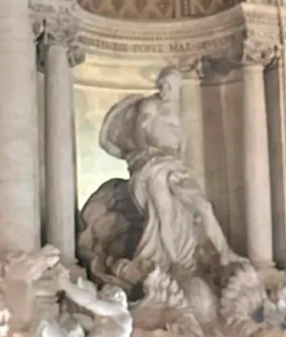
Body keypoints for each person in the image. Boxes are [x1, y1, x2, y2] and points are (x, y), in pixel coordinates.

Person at [98, 67, 234, 274]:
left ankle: (225, 252)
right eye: (162, 84)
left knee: (204, 207)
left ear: (178, 85)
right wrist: (144, 155)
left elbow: (182, 143)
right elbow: (139, 130)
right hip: (153, 165)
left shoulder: (180, 110)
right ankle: (174, 263)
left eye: (170, 85)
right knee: (163, 214)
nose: (165, 89)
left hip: (176, 165)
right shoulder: (151, 104)